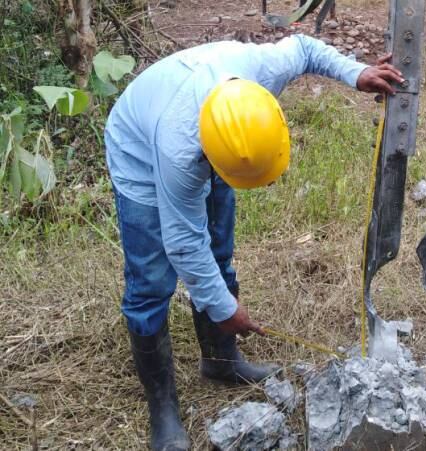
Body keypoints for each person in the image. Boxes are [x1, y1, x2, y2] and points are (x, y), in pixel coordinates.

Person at [105, 34, 403, 450]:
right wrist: (227, 309)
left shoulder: (258, 74)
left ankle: (221, 362)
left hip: (201, 130)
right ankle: (163, 409)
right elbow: (184, 245)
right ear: (209, 154)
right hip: (137, 143)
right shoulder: (179, 153)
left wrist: (357, 73)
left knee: (220, 255)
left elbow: (305, 48)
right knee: (150, 282)